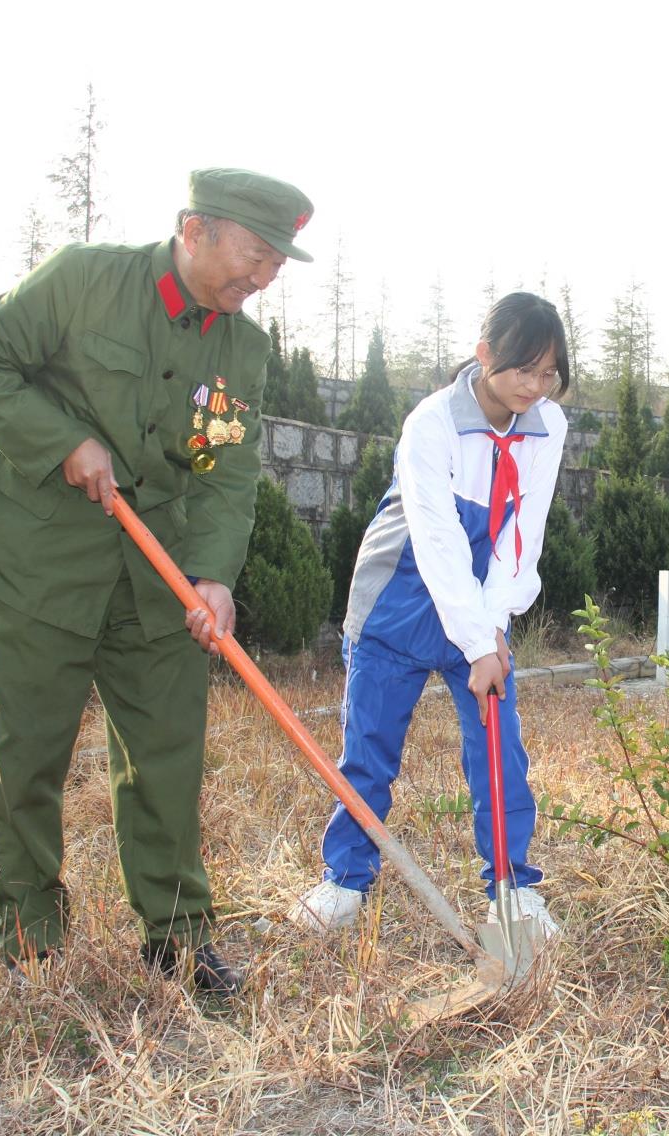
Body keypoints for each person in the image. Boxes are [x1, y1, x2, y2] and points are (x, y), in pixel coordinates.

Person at [0, 167, 315, 996]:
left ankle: (177, 937)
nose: (262, 278)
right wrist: (63, 438)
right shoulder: (83, 281)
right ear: (196, 230)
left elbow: (223, 469)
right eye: (255, 254)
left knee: (167, 761)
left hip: (158, 579)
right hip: (38, 566)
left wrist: (215, 577)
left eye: (276, 264)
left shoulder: (239, 351)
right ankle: (31, 934)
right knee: (27, 755)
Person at [290, 293, 570, 938]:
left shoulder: (548, 425)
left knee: (499, 746)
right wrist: (476, 641)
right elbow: (438, 540)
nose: (534, 386)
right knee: (369, 751)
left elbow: (523, 531)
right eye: (522, 369)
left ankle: (512, 887)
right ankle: (345, 883)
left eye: (548, 372)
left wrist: (493, 626)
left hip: (479, 601)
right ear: (484, 356)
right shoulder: (434, 422)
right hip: (402, 596)